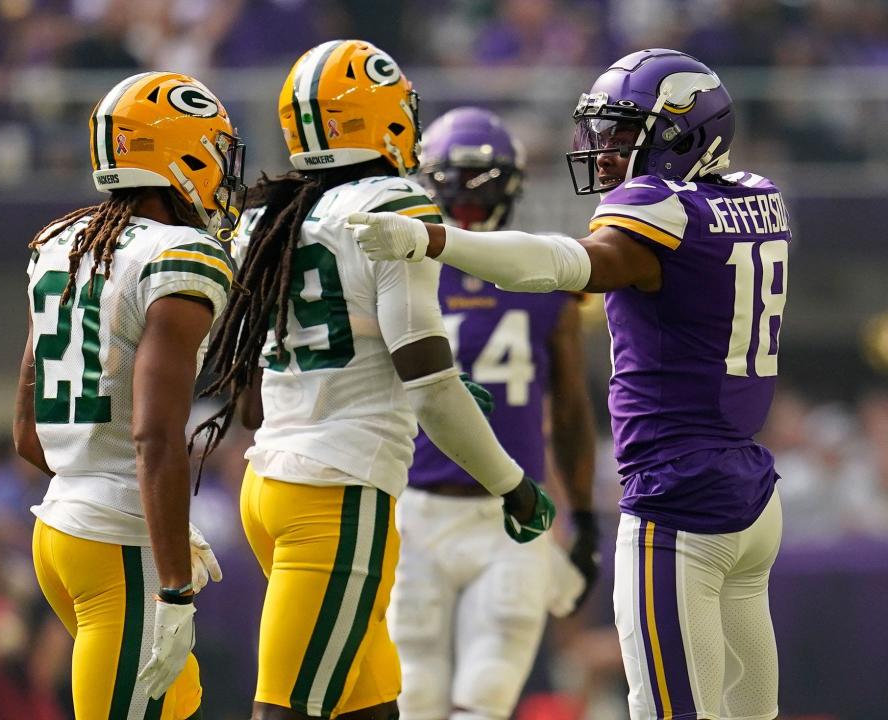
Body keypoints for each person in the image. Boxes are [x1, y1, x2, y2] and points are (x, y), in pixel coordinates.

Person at [348, 48, 790, 720]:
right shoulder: (761, 198)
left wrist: (436, 241)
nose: (604, 152)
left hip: (677, 499)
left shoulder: (660, 210)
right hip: (753, 493)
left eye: (621, 135)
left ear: (682, 133)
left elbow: (560, 265)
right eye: (601, 133)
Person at [193, 40, 555, 720]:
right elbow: (431, 385)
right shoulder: (393, 204)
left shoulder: (271, 215)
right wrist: (511, 483)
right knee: (291, 709)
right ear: (382, 116)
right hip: (336, 493)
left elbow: (250, 392)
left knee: (373, 705)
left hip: (272, 485)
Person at [12, 71, 245, 719]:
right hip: (119, 543)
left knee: (178, 703)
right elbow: (153, 435)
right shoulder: (182, 253)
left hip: (59, 530)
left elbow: (26, 433)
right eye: (215, 150)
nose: (224, 171)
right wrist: (170, 580)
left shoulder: (62, 243)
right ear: (182, 152)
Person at [388, 106, 599, 720]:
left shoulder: (400, 271)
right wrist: (582, 517)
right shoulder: (542, 275)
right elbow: (570, 415)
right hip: (450, 510)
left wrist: (583, 516)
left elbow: (568, 412)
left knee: (466, 693)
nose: (468, 204)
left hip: (490, 514)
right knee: (437, 693)